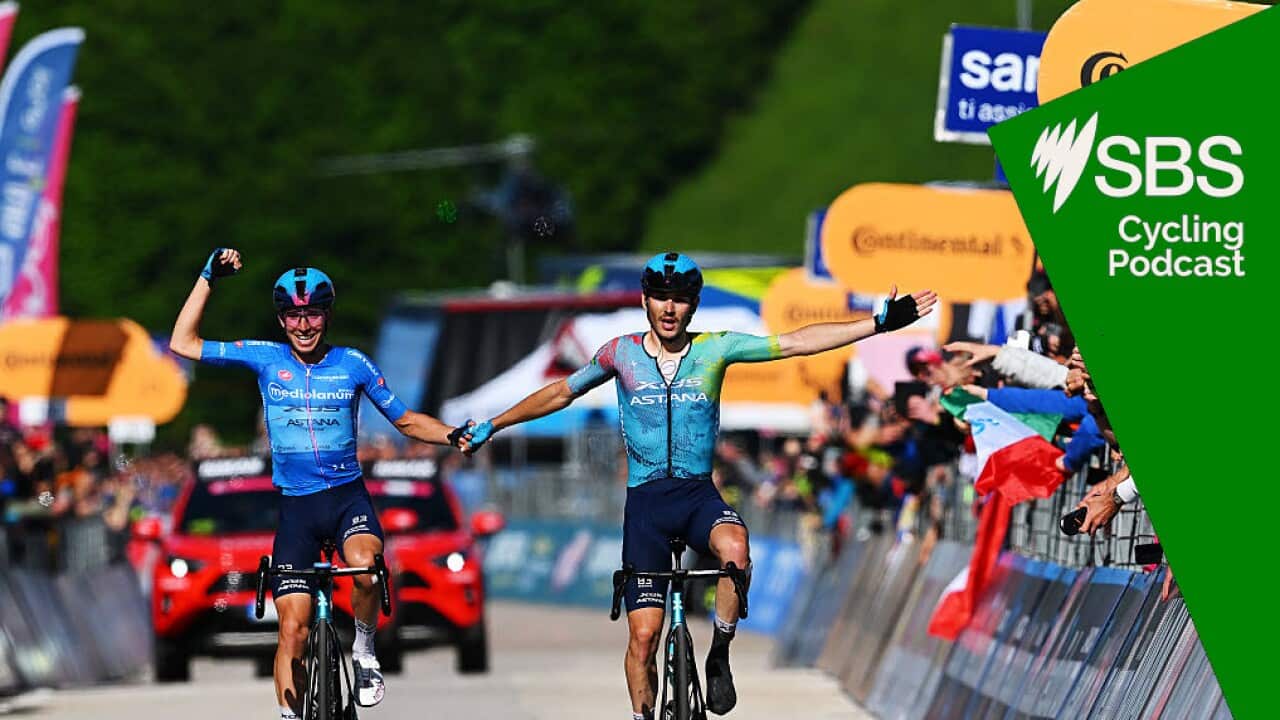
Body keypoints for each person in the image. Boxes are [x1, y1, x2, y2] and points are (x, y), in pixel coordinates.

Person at [460, 252, 936, 719]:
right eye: (661, 298)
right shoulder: (619, 353)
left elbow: (795, 342)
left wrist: (875, 323)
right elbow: (562, 391)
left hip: (697, 496)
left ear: (695, 304)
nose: (670, 309)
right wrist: (494, 425)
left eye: (682, 299)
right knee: (643, 639)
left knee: (736, 547)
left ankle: (719, 654)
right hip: (645, 505)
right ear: (646, 300)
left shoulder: (716, 348)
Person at [169, 249, 466, 719]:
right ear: (281, 319)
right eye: (293, 316)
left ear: (326, 315)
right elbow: (183, 343)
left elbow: (407, 421)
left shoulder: (354, 364)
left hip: (348, 500)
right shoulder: (266, 359)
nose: (303, 326)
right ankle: (290, 714)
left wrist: (452, 435)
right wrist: (208, 276)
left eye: (312, 315)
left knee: (366, 569)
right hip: (297, 511)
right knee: (293, 630)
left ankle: (365, 653)